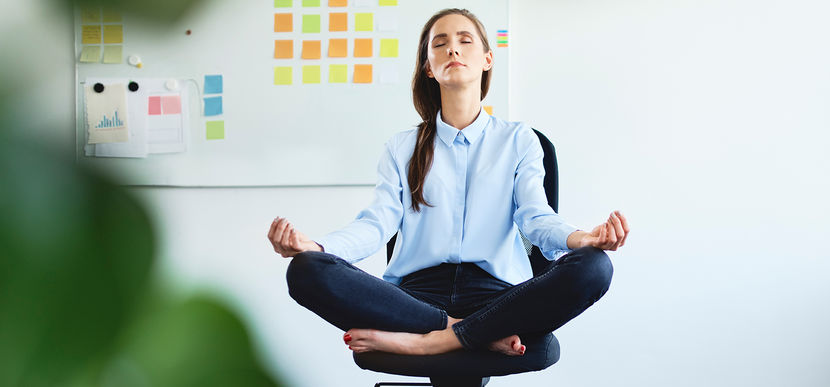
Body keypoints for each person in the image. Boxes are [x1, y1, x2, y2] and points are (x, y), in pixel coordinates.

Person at [267, 8, 630, 358]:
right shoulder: (402, 147)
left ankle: (427, 343)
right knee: (305, 269)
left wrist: (584, 239)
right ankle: (471, 334)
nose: (452, 48)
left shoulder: (518, 140)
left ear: (487, 59)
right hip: (413, 300)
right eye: (439, 44)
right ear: (429, 67)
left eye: (464, 40)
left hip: (500, 298)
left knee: (594, 266)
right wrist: (315, 246)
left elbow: (536, 217)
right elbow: (376, 225)